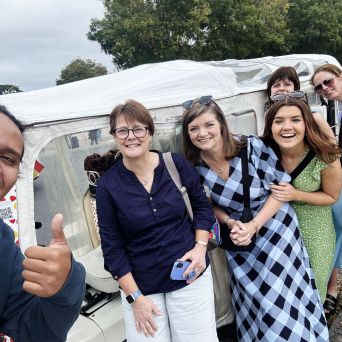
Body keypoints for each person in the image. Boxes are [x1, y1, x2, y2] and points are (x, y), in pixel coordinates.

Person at [182, 96, 329, 341]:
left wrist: (254, 225)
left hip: (274, 228)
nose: (202, 133)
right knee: (254, 302)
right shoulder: (194, 166)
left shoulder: (249, 147)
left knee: (279, 300)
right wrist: (229, 222)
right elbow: (208, 206)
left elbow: (280, 191)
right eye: (194, 128)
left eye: (208, 125)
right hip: (239, 238)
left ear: (221, 124)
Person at [96, 100, 218, 342]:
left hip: (189, 276)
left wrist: (199, 247)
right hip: (142, 288)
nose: (131, 136)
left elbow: (202, 208)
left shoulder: (175, 164)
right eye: (123, 130)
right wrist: (135, 298)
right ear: (115, 136)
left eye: (138, 129)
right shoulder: (108, 186)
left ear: (150, 133)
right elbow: (112, 249)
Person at [0, 105, 86, 341]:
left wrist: (65, 284)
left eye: (7, 158)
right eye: (122, 131)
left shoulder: (2, 242)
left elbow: (31, 329)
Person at [262, 95, 341, 302]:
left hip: (315, 232)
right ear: (270, 126)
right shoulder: (263, 154)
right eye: (279, 121)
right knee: (283, 293)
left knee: (313, 291)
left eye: (295, 120)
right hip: (277, 233)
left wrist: (296, 194)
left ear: (307, 123)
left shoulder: (325, 155)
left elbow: (332, 196)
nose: (287, 127)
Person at [311, 63, 342, 319]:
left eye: (328, 82)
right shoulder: (338, 107)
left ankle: (327, 289)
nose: (324, 89)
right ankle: (328, 289)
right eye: (319, 87)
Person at [266, 66, 334, 140]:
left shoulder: (314, 117)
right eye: (276, 85)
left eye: (287, 84)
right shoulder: (268, 117)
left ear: (296, 89)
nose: (281, 88)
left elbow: (332, 146)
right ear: (270, 92)